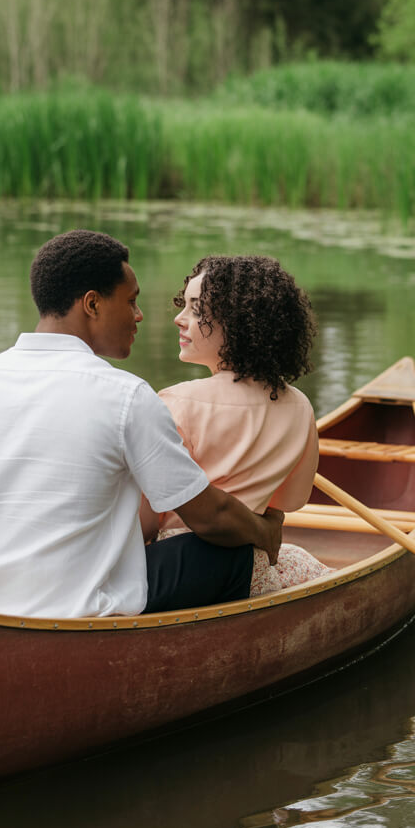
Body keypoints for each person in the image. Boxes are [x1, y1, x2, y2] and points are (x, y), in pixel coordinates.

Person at [0, 230, 283, 619]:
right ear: (92, 304)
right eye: (131, 301)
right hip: (76, 610)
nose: (139, 315)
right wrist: (264, 531)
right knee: (228, 551)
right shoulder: (127, 397)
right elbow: (210, 516)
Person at [142, 255, 331, 596]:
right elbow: (288, 503)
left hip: (177, 568)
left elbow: (145, 519)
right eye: (183, 306)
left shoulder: (176, 402)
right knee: (299, 560)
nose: (179, 319)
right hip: (252, 569)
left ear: (239, 322)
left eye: (195, 310)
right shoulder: (300, 405)